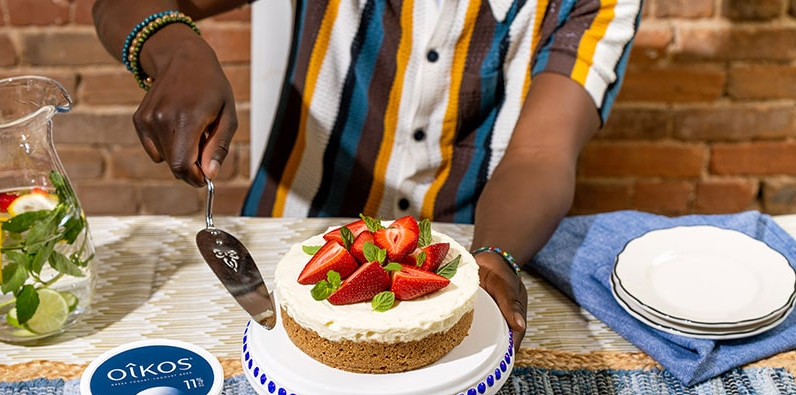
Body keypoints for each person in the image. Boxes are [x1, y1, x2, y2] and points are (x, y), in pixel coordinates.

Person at [92, 0, 642, 351]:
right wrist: (178, 49)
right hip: (291, 245)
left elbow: (541, 153)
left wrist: (496, 254)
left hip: (452, 263)